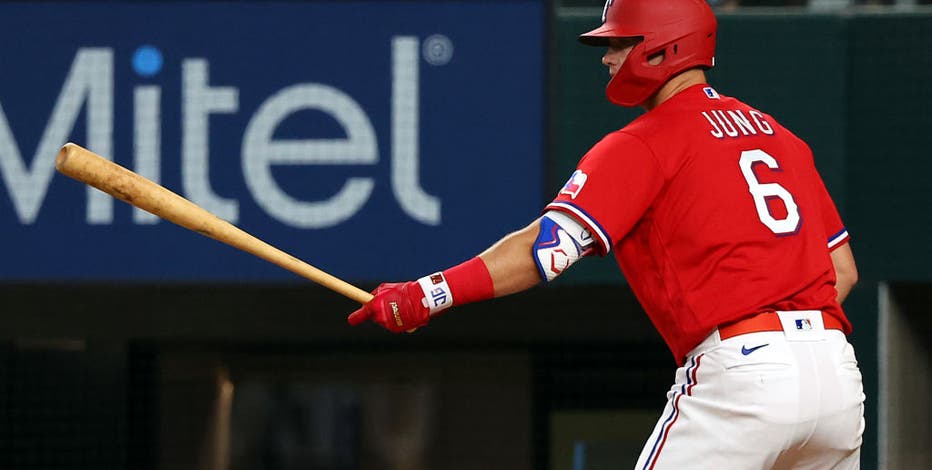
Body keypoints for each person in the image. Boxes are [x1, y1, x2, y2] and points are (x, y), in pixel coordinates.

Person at [347, 0, 865, 468]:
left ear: (662, 48)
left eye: (619, 42)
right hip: (836, 379)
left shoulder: (645, 141)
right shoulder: (782, 137)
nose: (606, 57)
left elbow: (543, 251)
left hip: (745, 373)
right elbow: (842, 271)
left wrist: (426, 294)